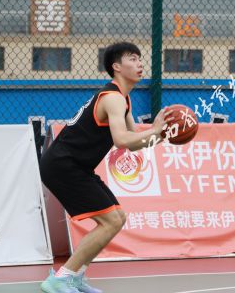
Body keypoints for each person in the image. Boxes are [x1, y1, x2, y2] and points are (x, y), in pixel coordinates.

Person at [39, 42, 172, 293]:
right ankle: (60, 279)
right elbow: (121, 140)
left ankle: (74, 277)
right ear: (116, 67)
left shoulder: (123, 98)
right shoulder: (113, 98)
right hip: (63, 164)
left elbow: (134, 143)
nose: (139, 63)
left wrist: (162, 135)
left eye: (140, 59)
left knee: (117, 218)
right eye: (132, 59)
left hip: (76, 166)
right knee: (110, 221)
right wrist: (154, 130)